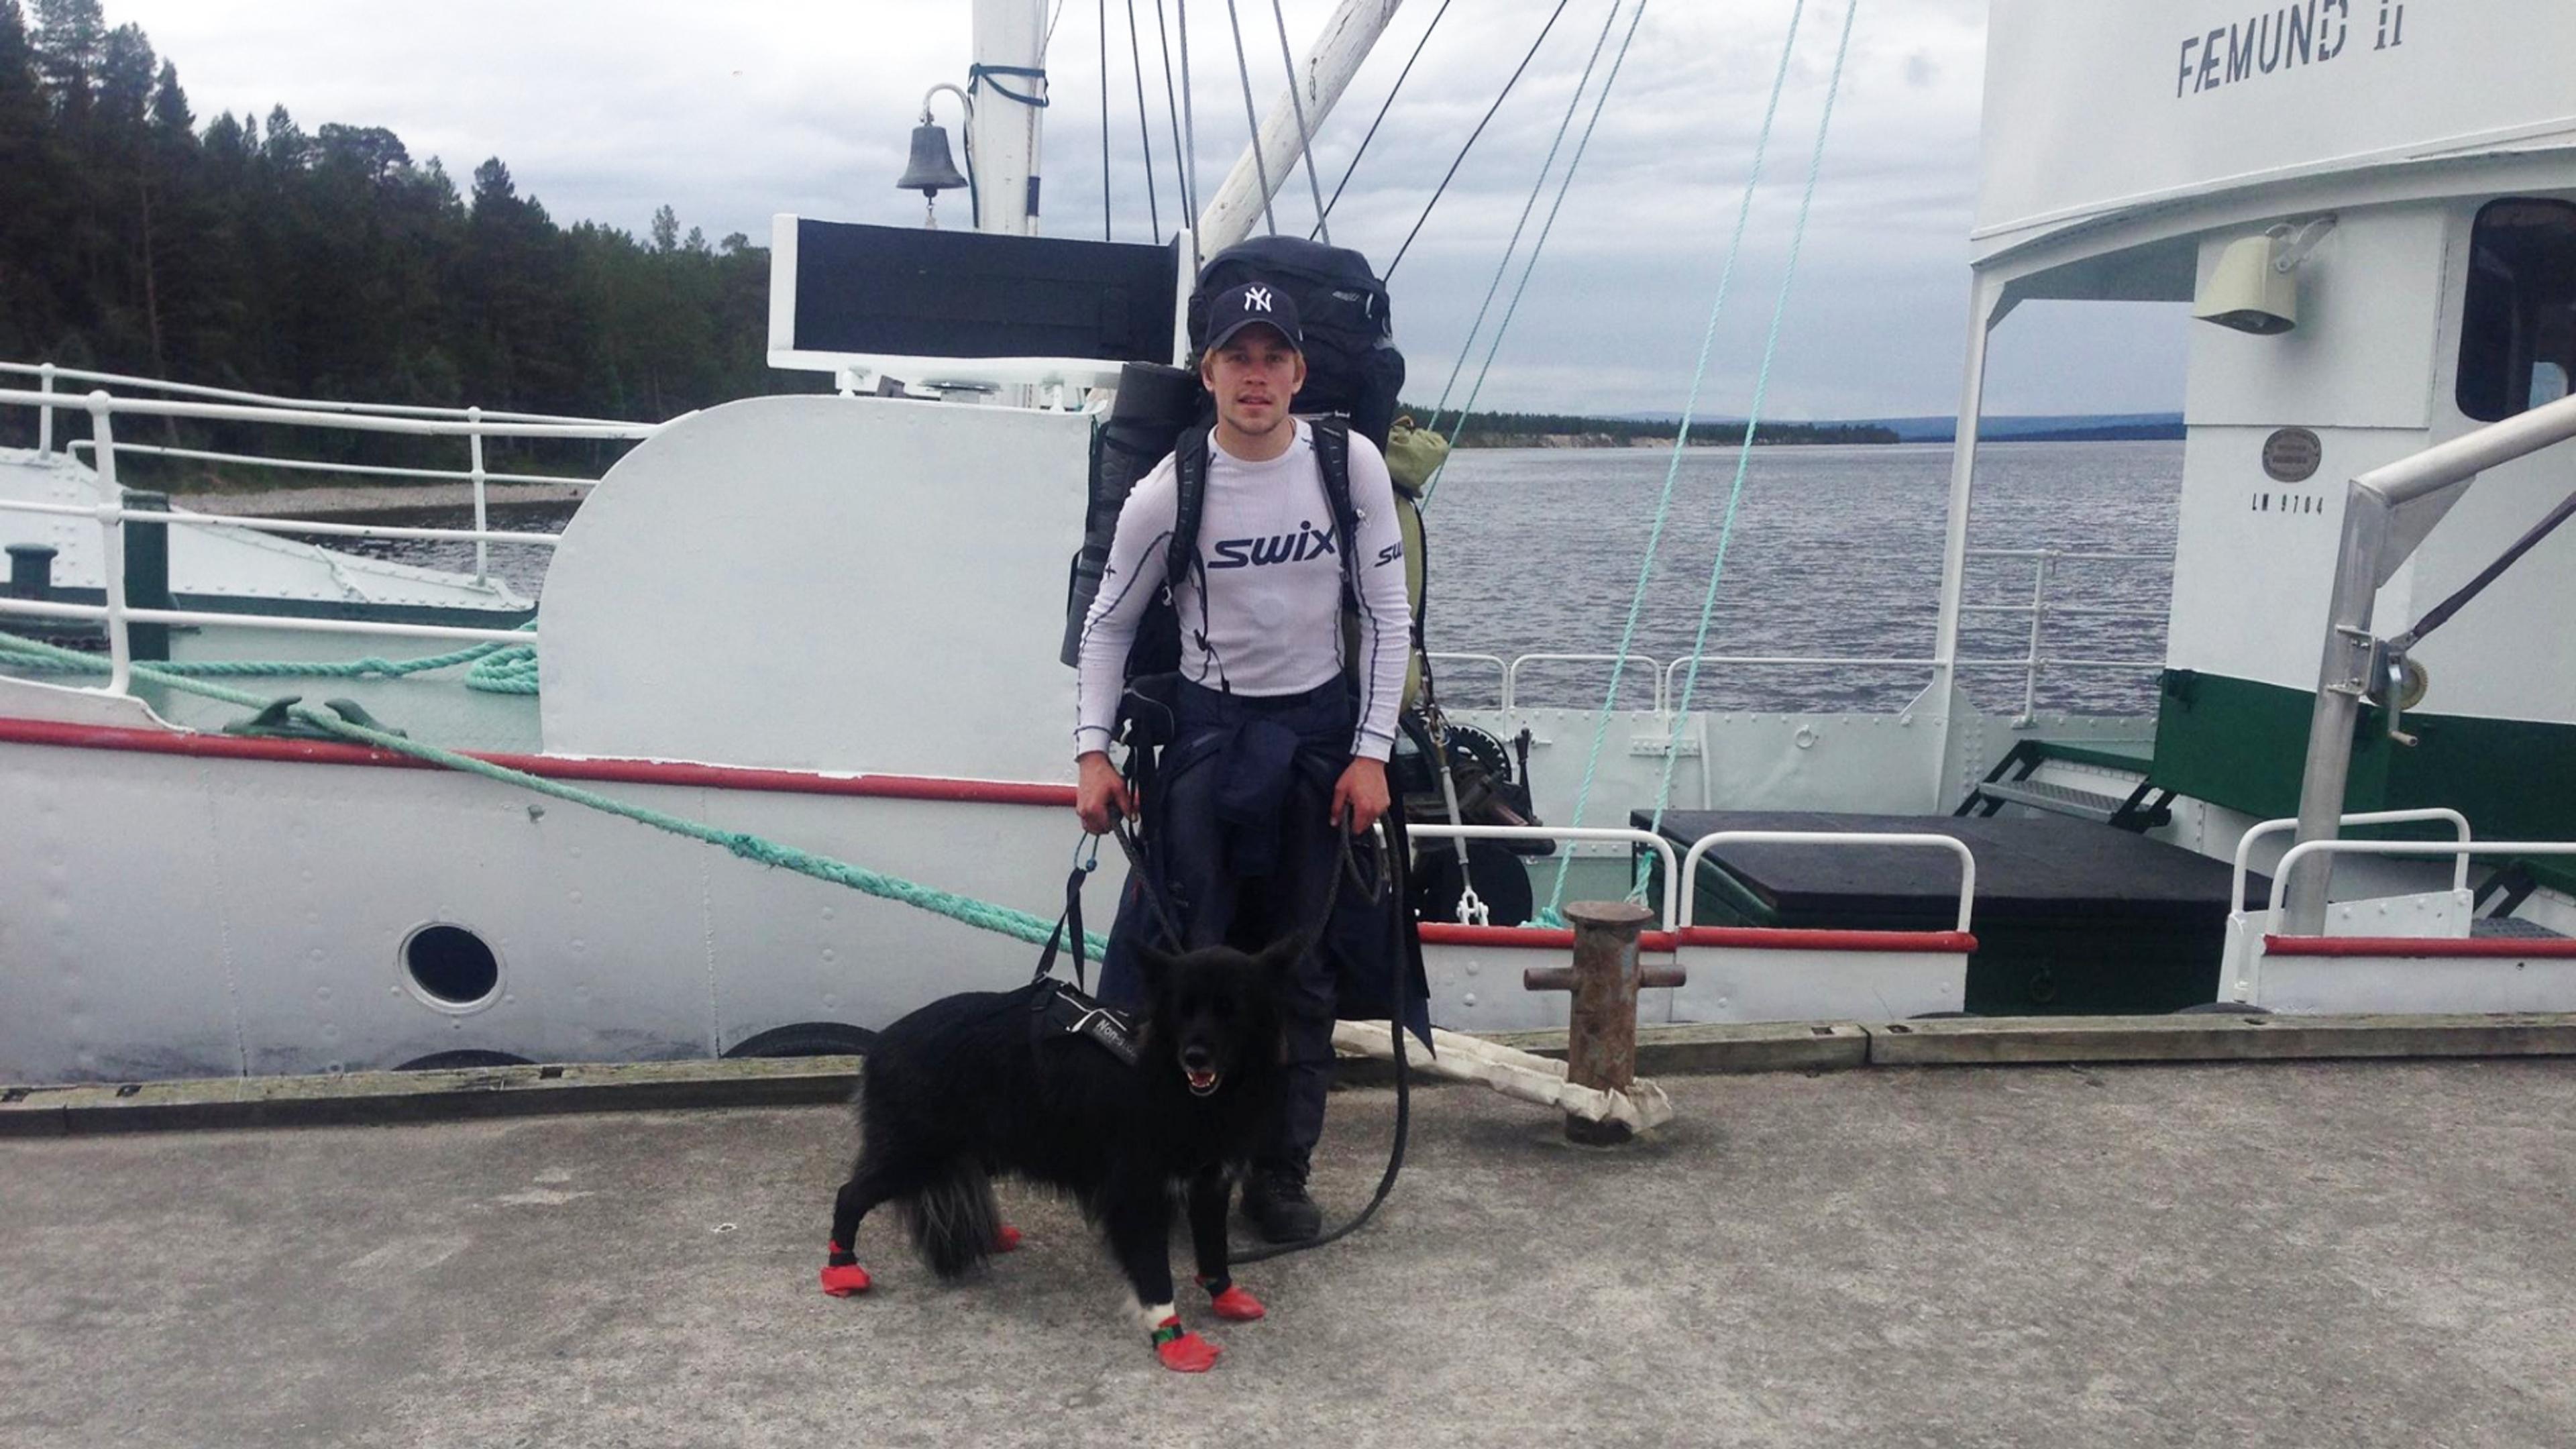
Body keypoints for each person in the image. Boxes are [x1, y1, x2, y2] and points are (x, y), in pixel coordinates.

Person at [1072, 279, 1413, 1242]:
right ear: (1208, 372)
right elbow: (1107, 627)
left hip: (1319, 746)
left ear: (1299, 373)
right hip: (1208, 746)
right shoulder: (1167, 491)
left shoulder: (1348, 467)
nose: (1255, 376)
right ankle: (1181, 1167)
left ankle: (1279, 1173)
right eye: (1237, 358)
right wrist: (1092, 754)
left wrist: (1371, 754)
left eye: (1273, 358)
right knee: (1192, 972)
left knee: (1302, 976)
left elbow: (1388, 616)